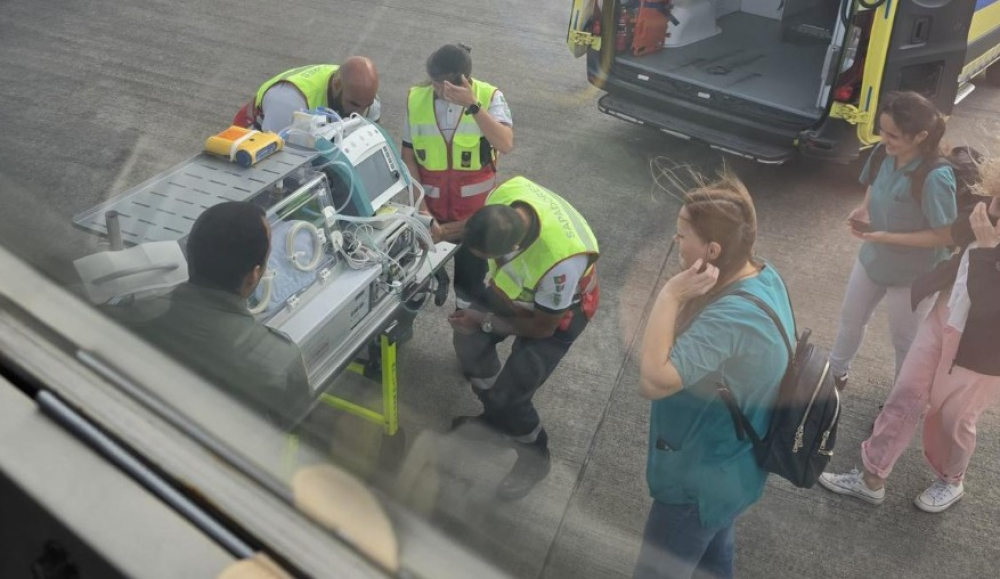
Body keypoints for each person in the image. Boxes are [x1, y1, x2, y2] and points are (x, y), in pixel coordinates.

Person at [634, 175, 792, 579]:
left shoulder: (732, 318)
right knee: (713, 560)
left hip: (700, 483)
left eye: (682, 233)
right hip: (732, 473)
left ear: (713, 250)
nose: (675, 241)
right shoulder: (761, 274)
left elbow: (653, 380)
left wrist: (671, 294)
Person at [818, 179, 1000, 513]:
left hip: (984, 351)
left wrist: (989, 250)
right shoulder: (991, 209)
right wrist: (987, 211)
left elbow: (991, 308)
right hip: (944, 318)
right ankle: (872, 477)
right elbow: (951, 237)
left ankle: (951, 479)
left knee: (953, 420)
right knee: (905, 395)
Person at [447, 176, 598, 501]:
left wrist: (485, 320)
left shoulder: (560, 263)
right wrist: (440, 233)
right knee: (468, 344)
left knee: (512, 397)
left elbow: (543, 327)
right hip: (513, 290)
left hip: (558, 315)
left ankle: (534, 459)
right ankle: (495, 422)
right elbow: (476, 224)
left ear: (512, 250)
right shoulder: (506, 197)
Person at [112, 202, 312, 429]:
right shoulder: (280, 361)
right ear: (254, 276)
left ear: (190, 254)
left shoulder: (130, 316)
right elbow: (301, 432)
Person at [830, 91, 957, 390]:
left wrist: (888, 235)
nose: (884, 139)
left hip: (913, 274)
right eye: (882, 131)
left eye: (894, 135)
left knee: (905, 341)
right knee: (851, 318)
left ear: (920, 136)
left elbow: (945, 235)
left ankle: (899, 401)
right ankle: (835, 373)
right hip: (874, 257)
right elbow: (875, 181)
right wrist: (863, 210)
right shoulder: (882, 153)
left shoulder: (936, 177)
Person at [401, 43, 514, 312]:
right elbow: (408, 156)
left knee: (469, 291)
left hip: (474, 222)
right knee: (413, 283)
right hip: (431, 216)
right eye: (435, 83)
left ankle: (465, 330)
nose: (438, 90)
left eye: (443, 85)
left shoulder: (489, 97)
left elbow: (506, 143)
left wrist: (472, 105)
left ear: (464, 80)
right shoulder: (416, 99)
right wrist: (423, 211)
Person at [234, 57, 381, 132]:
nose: (359, 114)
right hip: (253, 135)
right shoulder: (288, 102)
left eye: (365, 107)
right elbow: (271, 158)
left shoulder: (364, 97)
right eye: (353, 105)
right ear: (336, 85)